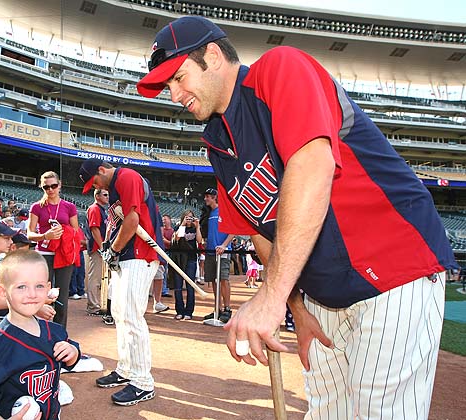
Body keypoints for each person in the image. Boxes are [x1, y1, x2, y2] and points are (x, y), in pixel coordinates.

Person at [137, 15, 456, 418]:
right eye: (168, 86)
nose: (174, 94)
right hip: (324, 295)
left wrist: (270, 298)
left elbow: (312, 165)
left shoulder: (279, 69)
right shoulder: (218, 145)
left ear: (213, 56)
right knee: (326, 412)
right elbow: (261, 235)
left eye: (178, 78)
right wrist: (297, 311)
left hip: (394, 269)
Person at [0, 250, 80, 420]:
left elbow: (71, 354)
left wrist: (72, 352)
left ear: (48, 288)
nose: (32, 294)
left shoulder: (55, 331)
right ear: (2, 291)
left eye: (39, 286)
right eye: (21, 286)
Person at [79, 158, 162, 406]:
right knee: (119, 313)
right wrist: (111, 248)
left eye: (94, 181)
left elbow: (133, 220)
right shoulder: (114, 187)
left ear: (102, 171)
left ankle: (143, 382)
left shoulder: (126, 177)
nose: (95, 188)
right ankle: (126, 369)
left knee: (131, 316)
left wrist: (113, 249)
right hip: (125, 255)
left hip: (139, 254)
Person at [27, 171, 80, 329]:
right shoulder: (37, 207)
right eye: (46, 187)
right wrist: (45, 235)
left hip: (63, 254)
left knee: (62, 295)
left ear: (60, 185)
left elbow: (76, 231)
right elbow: (30, 234)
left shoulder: (69, 207)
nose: (50, 190)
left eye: (53, 186)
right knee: (42, 294)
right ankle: (40, 330)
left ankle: (59, 332)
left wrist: (63, 233)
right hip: (43, 254)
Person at [201, 189, 234, 323]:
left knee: (223, 279)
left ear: (214, 197)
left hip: (223, 252)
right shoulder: (208, 214)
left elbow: (233, 230)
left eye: (208, 196)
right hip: (210, 251)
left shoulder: (224, 211)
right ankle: (217, 308)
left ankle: (227, 308)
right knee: (214, 280)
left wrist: (225, 245)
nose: (205, 199)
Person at [170, 209, 202, 320]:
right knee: (178, 286)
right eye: (187, 217)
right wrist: (183, 224)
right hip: (179, 259)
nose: (189, 219)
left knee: (190, 286)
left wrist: (197, 227)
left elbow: (199, 240)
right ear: (183, 217)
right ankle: (179, 310)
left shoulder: (195, 227)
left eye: (191, 217)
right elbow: (177, 238)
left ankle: (189, 311)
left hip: (191, 259)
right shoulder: (178, 227)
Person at [86, 188, 109, 316]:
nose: (107, 197)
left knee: (100, 279)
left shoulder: (102, 210)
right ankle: (93, 307)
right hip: (97, 248)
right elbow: (94, 229)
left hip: (100, 248)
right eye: (105, 195)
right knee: (94, 278)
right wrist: (102, 248)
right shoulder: (95, 208)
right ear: (97, 196)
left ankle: (97, 305)